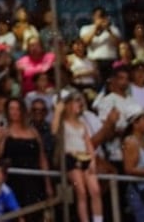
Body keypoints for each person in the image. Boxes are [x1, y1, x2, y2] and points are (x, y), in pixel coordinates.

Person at [53, 92, 102, 222]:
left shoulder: (82, 124)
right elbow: (54, 131)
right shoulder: (63, 123)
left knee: (95, 190)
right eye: (75, 102)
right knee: (81, 192)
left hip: (84, 156)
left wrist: (93, 160)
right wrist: (58, 111)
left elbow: (88, 144)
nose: (79, 104)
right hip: (71, 156)